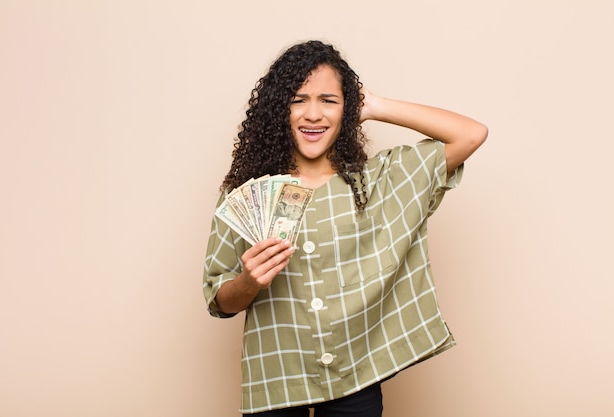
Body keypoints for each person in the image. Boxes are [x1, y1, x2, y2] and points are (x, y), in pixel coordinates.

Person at [203, 40, 487, 417]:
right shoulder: (247, 195)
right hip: (275, 379)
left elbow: (470, 134)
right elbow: (219, 299)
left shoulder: (382, 181)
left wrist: (375, 105)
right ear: (278, 109)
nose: (313, 114)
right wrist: (248, 282)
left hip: (356, 379)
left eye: (329, 100)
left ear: (348, 109)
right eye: (298, 99)